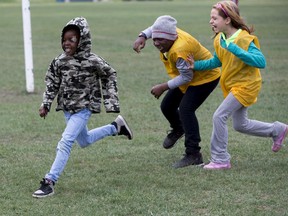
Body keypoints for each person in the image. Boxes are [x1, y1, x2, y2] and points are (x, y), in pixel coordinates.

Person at [32, 17, 133, 198]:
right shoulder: (59, 62)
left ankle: (49, 181)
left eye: (72, 39)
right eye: (64, 39)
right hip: (67, 109)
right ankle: (115, 127)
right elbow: (52, 83)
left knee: (65, 142)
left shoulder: (92, 60)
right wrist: (45, 104)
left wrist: (110, 101)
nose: (66, 43)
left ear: (82, 39)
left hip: (84, 108)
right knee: (84, 141)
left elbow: (110, 74)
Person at [186, 1, 288, 170]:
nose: (211, 21)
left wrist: (234, 48)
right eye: (210, 18)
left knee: (219, 116)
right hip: (233, 86)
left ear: (227, 20)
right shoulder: (220, 39)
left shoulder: (243, 38)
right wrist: (195, 66)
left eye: (214, 18)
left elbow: (260, 62)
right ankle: (277, 130)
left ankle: (220, 159)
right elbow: (217, 61)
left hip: (246, 86)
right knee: (240, 125)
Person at [133, 15, 221, 168]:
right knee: (167, 106)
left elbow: (186, 77)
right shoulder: (169, 31)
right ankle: (179, 128)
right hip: (189, 76)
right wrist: (143, 36)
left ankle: (194, 154)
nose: (156, 43)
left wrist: (164, 86)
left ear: (171, 38)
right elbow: (154, 29)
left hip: (206, 77)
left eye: (161, 40)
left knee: (186, 110)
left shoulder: (180, 49)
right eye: (155, 39)